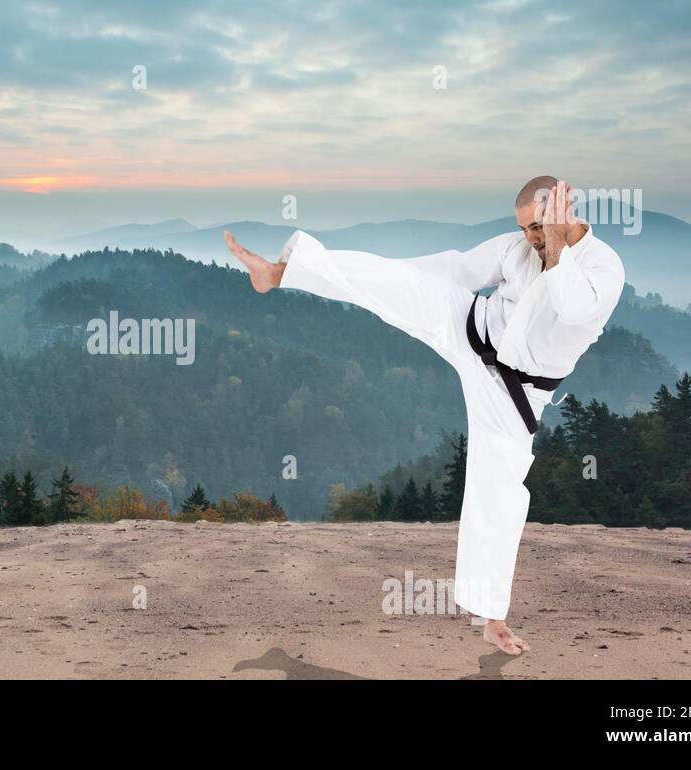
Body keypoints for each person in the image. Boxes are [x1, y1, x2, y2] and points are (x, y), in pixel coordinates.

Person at [224, 177, 625, 654]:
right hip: (469, 327)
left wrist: (558, 242)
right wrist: (400, 280)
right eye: (526, 228)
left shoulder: (604, 267)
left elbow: (571, 306)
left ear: (567, 209)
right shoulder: (516, 249)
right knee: (392, 284)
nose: (532, 237)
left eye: (539, 226)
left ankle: (492, 617)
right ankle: (278, 273)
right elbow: (455, 269)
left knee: (497, 493)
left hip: (515, 391)